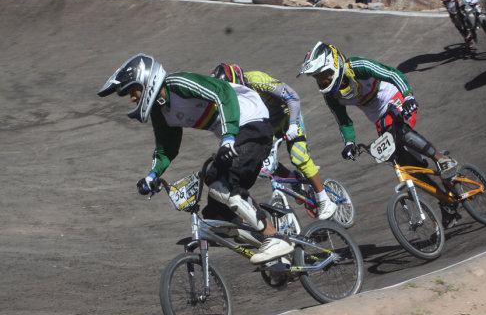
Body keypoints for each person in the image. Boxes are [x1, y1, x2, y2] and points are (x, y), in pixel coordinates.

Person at [97, 53, 293, 264]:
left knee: (226, 186)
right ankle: (275, 253)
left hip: (252, 123)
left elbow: (223, 91)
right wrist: (152, 175)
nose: (133, 98)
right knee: (216, 213)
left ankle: (273, 236)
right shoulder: (161, 111)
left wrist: (227, 138)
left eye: (132, 91)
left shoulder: (177, 84)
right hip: (236, 135)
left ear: (147, 80)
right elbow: (166, 149)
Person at [297, 42, 461, 227]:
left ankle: (441, 158)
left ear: (334, 65)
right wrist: (349, 143)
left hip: (396, 99)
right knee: (406, 167)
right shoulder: (330, 95)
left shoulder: (358, 66)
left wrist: (408, 96)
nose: (320, 81)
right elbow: (343, 121)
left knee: (398, 131)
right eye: (316, 77)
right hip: (380, 119)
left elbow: (392, 73)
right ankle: (446, 201)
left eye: (322, 74)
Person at [211, 63, 338, 220]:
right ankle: (293, 177)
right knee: (263, 164)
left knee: (298, 156)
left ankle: (325, 199)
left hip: (286, 115)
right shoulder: (228, 99)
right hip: (265, 124)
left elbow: (292, 96)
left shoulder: (256, 79)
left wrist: (292, 124)